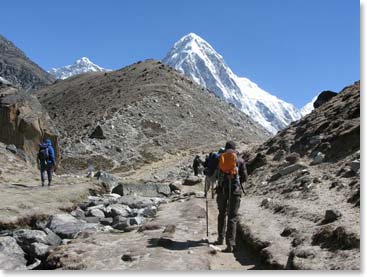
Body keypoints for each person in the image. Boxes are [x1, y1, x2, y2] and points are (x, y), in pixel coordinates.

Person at [214, 141, 248, 253]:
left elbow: (213, 173)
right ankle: (230, 245)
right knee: (232, 217)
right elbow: (244, 177)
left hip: (222, 190)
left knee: (222, 214)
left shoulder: (220, 158)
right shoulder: (240, 160)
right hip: (235, 191)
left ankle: (220, 239)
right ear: (235, 148)